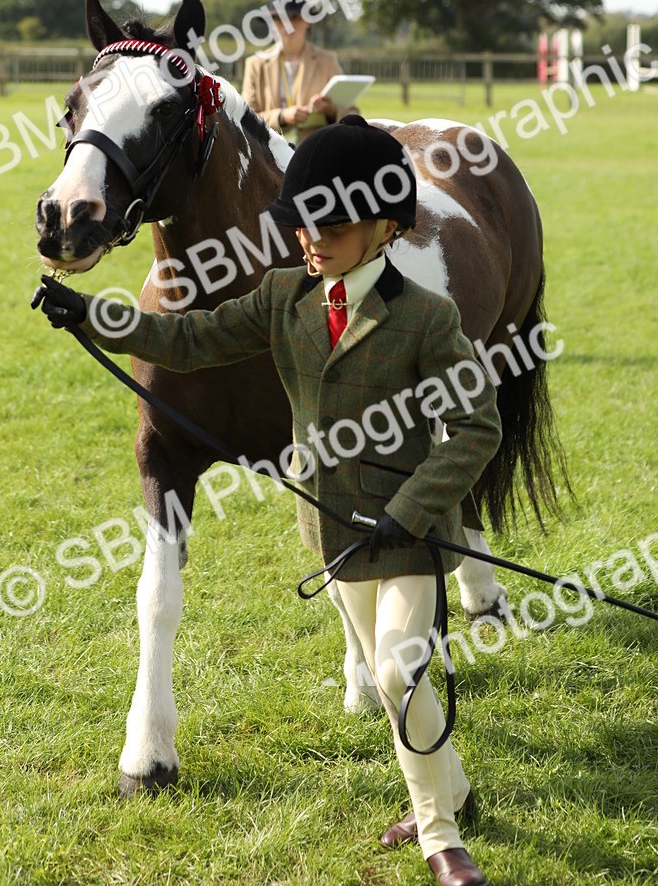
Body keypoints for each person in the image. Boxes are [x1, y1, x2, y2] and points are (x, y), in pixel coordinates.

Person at [33, 115, 500, 886]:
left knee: (395, 673)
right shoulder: (284, 295)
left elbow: (477, 426)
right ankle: (450, 787)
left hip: (407, 529)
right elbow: (190, 341)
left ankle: (441, 837)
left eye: (333, 227)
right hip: (331, 529)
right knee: (394, 686)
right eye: (300, 223)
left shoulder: (427, 316)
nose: (310, 240)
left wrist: (414, 510)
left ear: (386, 227)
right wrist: (94, 316)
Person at [241, 0, 357, 144]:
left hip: (316, 152)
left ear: (308, 20)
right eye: (280, 19)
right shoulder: (255, 64)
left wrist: (331, 110)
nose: (288, 25)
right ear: (273, 23)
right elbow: (245, 119)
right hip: (268, 157)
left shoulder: (327, 61)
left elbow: (353, 114)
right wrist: (282, 116)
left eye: (295, 17)